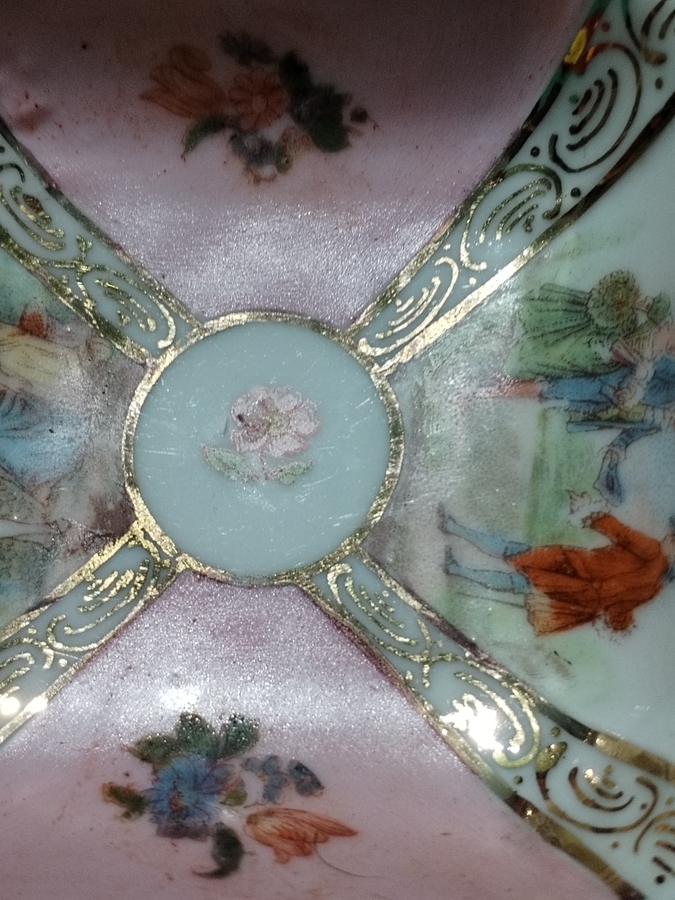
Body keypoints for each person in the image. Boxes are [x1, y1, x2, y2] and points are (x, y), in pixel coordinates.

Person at [440, 501, 675, 636]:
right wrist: (621, 625)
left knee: (515, 553)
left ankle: (453, 529)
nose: (668, 534)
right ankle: (456, 568)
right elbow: (618, 610)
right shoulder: (654, 588)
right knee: (521, 583)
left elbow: (622, 533)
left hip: (573, 567)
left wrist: (594, 516)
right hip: (580, 597)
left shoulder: (653, 550)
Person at [505, 271, 669, 380]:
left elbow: (613, 344)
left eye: (648, 305)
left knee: (557, 350)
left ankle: (522, 349)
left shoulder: (632, 322)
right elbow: (612, 342)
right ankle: (522, 335)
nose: (646, 303)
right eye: (647, 302)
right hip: (589, 325)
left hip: (593, 341)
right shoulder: (623, 301)